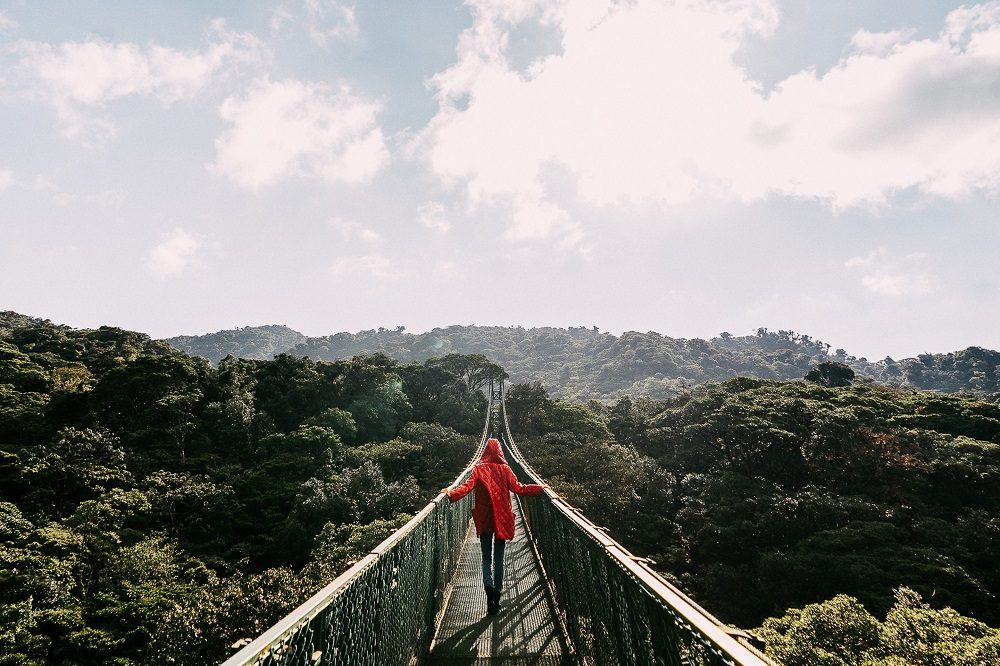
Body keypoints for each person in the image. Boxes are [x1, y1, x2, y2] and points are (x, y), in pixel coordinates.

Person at [442, 437, 546, 615]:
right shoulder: (505, 469)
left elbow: (467, 487)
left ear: (484, 452)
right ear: (500, 452)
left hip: (485, 519)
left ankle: (488, 588)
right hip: (502, 519)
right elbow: (518, 488)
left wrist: (452, 493)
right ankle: (497, 596)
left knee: (485, 558)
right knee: (499, 558)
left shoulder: (478, 468)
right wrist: (539, 488)